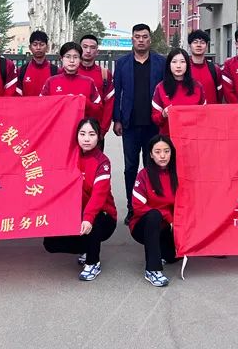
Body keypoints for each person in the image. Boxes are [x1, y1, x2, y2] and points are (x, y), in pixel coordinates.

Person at [43, 118, 117, 281]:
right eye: (82, 134)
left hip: (102, 216)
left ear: (98, 137)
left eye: (91, 134)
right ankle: (87, 247)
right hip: (75, 213)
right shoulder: (69, 158)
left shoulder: (103, 162)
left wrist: (88, 218)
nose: (86, 139)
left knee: (94, 221)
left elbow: (98, 196)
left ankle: (93, 262)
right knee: (50, 243)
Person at [112, 24, 166, 224]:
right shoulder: (122, 64)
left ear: (150, 39)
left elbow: (165, 91)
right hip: (130, 125)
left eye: (144, 36)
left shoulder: (161, 62)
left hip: (154, 124)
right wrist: (117, 119)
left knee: (153, 166)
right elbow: (117, 92)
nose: (141, 40)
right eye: (137, 37)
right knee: (130, 168)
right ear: (132, 40)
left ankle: (152, 206)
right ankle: (132, 207)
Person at [129, 135, 179, 287]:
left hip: (168, 228)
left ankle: (163, 252)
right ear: (151, 154)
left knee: (172, 257)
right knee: (154, 215)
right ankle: (152, 269)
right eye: (157, 152)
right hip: (144, 226)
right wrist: (167, 216)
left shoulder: (177, 174)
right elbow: (138, 206)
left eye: (166, 151)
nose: (162, 156)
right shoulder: (143, 175)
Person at [40, 42, 102, 120]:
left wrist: (84, 102)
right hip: (57, 125)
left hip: (80, 126)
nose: (72, 61)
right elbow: (41, 107)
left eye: (75, 57)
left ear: (80, 59)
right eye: (68, 57)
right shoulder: (51, 81)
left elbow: (99, 110)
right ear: (61, 59)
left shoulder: (89, 82)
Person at [151, 48, 205, 135]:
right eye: (174, 62)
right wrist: (163, 115)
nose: (178, 66)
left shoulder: (197, 87)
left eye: (182, 62)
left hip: (192, 137)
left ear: (187, 65)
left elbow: (204, 115)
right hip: (168, 138)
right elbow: (155, 117)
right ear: (169, 65)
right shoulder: (160, 87)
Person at [78, 34, 115, 136]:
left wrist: (103, 129)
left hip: (95, 130)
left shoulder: (104, 74)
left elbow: (109, 103)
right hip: (72, 127)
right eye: (85, 47)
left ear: (97, 51)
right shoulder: (68, 72)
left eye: (92, 47)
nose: (88, 51)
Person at [16, 30, 57, 96]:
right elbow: (17, 97)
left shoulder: (56, 71)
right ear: (30, 47)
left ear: (47, 47)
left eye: (42, 44)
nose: (38, 48)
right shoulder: (21, 71)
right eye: (35, 44)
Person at [187, 30, 222, 104]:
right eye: (195, 42)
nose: (199, 45)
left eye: (202, 42)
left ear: (207, 46)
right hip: (190, 110)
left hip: (211, 110)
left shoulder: (215, 69)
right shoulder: (184, 69)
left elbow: (220, 94)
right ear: (189, 45)